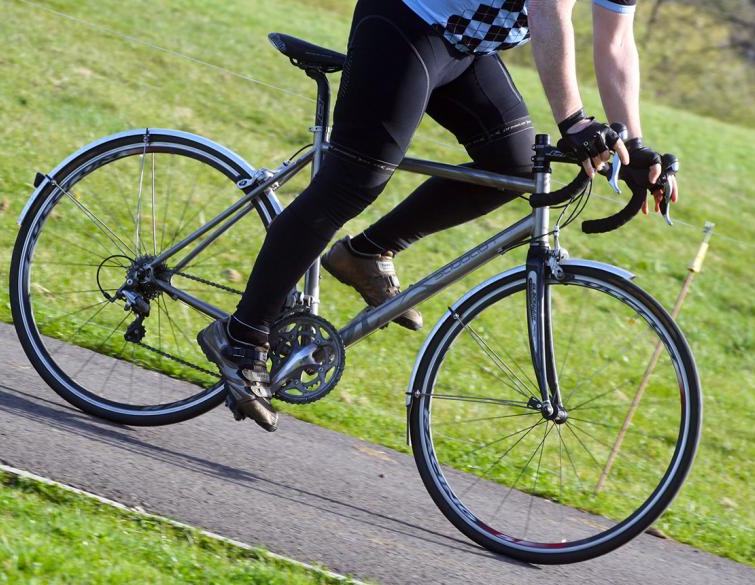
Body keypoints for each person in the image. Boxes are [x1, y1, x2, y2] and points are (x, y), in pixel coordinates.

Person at [197, 0, 678, 431]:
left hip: (466, 44)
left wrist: (633, 148)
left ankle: (365, 254)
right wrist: (573, 121)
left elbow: (616, 41)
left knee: (509, 167)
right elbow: (548, 9)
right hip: (407, 20)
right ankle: (242, 336)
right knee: (352, 182)